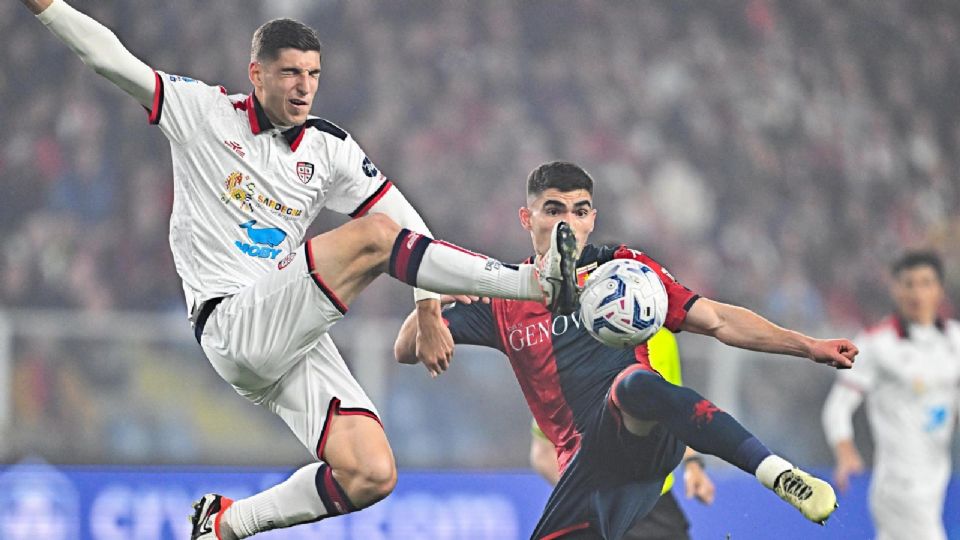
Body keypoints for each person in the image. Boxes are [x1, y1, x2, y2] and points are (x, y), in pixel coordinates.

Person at [21, 2, 582, 539]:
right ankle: (532, 282)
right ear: (256, 74)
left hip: (290, 333)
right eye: (290, 72)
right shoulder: (202, 113)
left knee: (371, 473)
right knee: (372, 238)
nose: (303, 86)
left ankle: (224, 525)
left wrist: (427, 304)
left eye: (313, 73)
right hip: (232, 321)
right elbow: (111, 59)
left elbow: (407, 218)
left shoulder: (328, 148)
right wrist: (47, 7)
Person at [395, 161, 858, 539]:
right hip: (585, 470)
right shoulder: (501, 296)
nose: (568, 223)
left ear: (592, 218)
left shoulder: (624, 270)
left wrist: (808, 346)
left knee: (635, 385)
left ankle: (777, 473)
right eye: (553, 210)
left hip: (640, 431)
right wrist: (430, 305)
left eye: (580, 211)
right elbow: (405, 349)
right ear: (526, 218)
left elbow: (715, 319)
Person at [822, 251, 960, 540]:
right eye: (908, 284)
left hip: (935, 482)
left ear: (939, 289)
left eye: (925, 283)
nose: (917, 292)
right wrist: (845, 452)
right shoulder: (876, 344)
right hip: (899, 486)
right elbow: (838, 407)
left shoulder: (954, 340)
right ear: (895, 289)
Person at [529, 327, 715, 540]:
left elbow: (671, 417)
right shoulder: (569, 351)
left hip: (656, 508)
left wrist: (693, 464)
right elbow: (542, 454)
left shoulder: (662, 339)